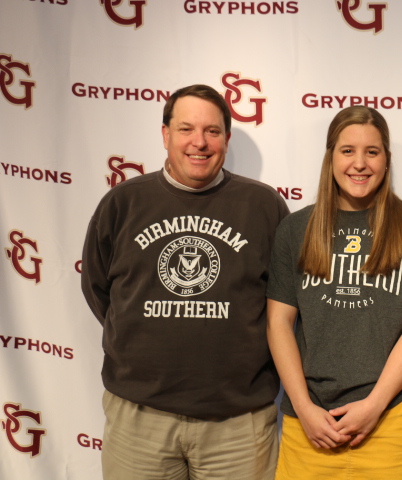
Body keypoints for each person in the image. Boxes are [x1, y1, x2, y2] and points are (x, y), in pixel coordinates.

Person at [81, 84, 289, 479]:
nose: (200, 142)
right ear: (165, 135)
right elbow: (98, 289)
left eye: (212, 131)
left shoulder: (265, 206)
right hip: (140, 419)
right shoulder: (122, 203)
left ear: (227, 138)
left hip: (239, 424)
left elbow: (284, 301)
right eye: (186, 129)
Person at [266, 106, 402, 479]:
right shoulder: (295, 229)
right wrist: (303, 407)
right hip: (310, 424)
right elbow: (279, 323)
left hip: (390, 419)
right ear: (331, 157)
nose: (359, 164)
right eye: (347, 151)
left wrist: (374, 406)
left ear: (386, 159)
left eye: (372, 152)